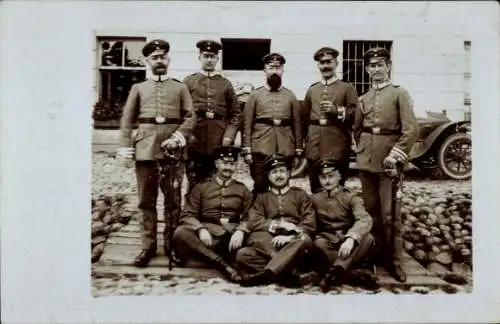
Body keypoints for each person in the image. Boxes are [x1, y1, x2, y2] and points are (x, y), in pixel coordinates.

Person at [117, 39, 196, 267]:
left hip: (173, 153)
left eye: (162, 57)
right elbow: (127, 120)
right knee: (146, 201)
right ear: (147, 61)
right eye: (154, 58)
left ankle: (173, 246)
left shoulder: (180, 87)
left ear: (168, 59)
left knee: (173, 201)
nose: (159, 61)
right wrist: (126, 148)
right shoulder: (138, 89)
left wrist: (177, 138)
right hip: (145, 152)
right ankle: (147, 247)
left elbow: (190, 117)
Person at [353, 47, 419, 282]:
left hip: (389, 162)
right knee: (370, 213)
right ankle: (374, 255)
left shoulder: (399, 94)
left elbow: (411, 129)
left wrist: (395, 154)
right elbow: (357, 128)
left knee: (391, 215)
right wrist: (360, 148)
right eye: (372, 65)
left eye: (380, 64)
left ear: (388, 66)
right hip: (366, 161)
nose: (376, 69)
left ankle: (395, 261)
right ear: (367, 69)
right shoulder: (364, 98)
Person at [172, 146, 251, 283]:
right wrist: (200, 229)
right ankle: (224, 265)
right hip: (207, 233)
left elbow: (251, 215)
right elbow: (187, 214)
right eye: (224, 163)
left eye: (232, 164)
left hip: (230, 236)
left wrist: (241, 230)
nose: (228, 167)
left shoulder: (242, 189)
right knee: (180, 233)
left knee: (251, 239)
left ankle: (215, 258)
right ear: (216, 164)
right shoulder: (201, 187)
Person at [235, 154, 316, 287]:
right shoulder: (262, 198)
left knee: (304, 239)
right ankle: (290, 274)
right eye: (274, 172)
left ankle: (267, 275)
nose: (279, 175)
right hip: (271, 243)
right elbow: (255, 221)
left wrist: (291, 235)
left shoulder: (300, 194)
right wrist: (277, 225)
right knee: (242, 254)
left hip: (295, 242)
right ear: (268, 176)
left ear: (288, 173)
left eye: (282, 171)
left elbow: (310, 222)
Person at [309, 159, 378, 292]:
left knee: (367, 238)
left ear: (340, 176)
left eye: (331, 176)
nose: (327, 181)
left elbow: (364, 219)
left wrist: (351, 238)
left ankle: (334, 272)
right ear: (318, 178)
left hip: (350, 243)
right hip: (328, 242)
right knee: (319, 243)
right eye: (323, 177)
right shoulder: (314, 199)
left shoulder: (351, 197)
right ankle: (351, 274)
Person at [242, 53, 303, 198]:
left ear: (283, 70)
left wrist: (298, 149)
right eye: (271, 68)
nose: (275, 71)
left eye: (278, 67)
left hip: (285, 146)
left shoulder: (290, 96)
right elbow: (247, 123)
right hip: (260, 147)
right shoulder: (255, 95)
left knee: (282, 183)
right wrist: (247, 149)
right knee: (261, 183)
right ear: (264, 70)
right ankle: (259, 213)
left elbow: (297, 124)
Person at [183, 40, 242, 192]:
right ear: (199, 57)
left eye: (213, 56)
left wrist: (229, 136)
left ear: (217, 59)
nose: (209, 60)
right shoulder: (189, 81)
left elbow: (235, 114)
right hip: (195, 139)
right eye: (206, 56)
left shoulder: (225, 84)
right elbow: (181, 112)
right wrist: (186, 134)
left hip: (218, 139)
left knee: (216, 182)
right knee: (194, 182)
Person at [302, 47, 359, 193]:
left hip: (337, 143)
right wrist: (304, 142)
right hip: (315, 144)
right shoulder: (312, 89)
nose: (325, 66)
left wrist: (337, 111)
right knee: (316, 184)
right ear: (318, 65)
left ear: (336, 63)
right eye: (322, 63)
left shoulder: (347, 88)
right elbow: (304, 117)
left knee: (336, 184)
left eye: (329, 62)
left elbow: (355, 113)